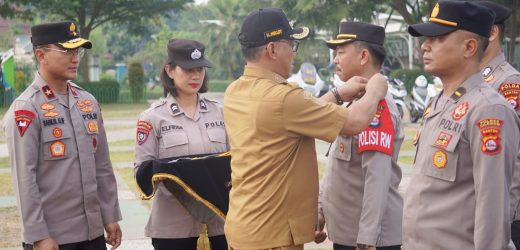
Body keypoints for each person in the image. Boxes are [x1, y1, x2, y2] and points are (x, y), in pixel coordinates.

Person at [223, 7, 389, 250]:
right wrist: (376, 86)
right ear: (271, 49)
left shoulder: (235, 91)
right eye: (291, 44)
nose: (293, 52)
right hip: (273, 235)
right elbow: (353, 123)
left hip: (243, 226)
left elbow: (290, 118)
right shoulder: (284, 98)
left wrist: (336, 93)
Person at [403, 1, 520, 249]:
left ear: (469, 47)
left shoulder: (488, 109)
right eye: (427, 38)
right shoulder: (439, 102)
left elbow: (493, 212)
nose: (425, 45)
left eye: (437, 38)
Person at [1, 21, 122, 250]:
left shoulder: (87, 102)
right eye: (66, 50)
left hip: (92, 233)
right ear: (40, 55)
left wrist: (109, 214)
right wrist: (38, 236)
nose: (74, 57)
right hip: (53, 238)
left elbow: (102, 165)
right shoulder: (26, 109)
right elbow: (25, 179)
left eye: (77, 51)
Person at [134, 38, 228, 250]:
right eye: (187, 69)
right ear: (170, 70)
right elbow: (141, 172)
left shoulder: (220, 112)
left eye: (200, 69)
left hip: (220, 225)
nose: (195, 76)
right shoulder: (152, 118)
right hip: (173, 228)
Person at [318, 21, 403, 250]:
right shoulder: (357, 103)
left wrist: (367, 239)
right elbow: (338, 167)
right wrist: (321, 211)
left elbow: (377, 178)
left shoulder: (377, 107)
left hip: (365, 240)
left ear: (363, 56)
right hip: (348, 234)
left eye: (341, 52)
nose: (335, 59)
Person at [474, 2, 520, 248]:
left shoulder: (508, 82)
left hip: (506, 215)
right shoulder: (472, 80)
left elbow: (513, 158)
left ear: (491, 33)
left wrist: (505, 215)